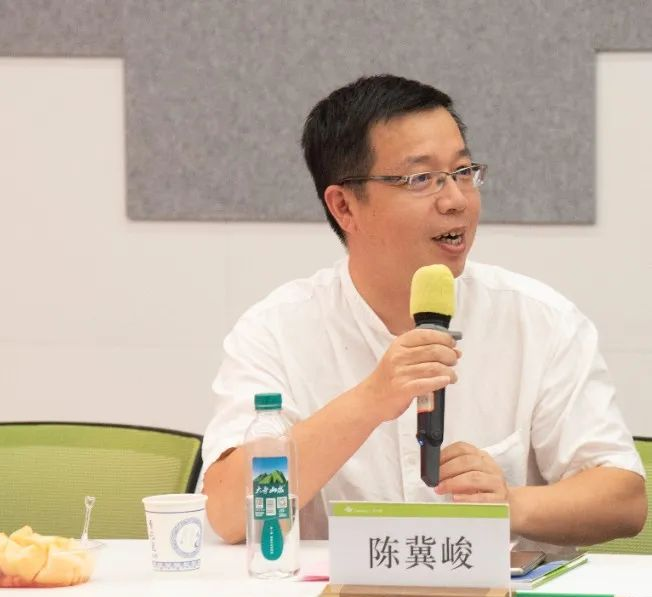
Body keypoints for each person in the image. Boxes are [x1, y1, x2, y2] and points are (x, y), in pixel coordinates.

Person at [200, 74, 646, 550]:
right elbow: (225, 514)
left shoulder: (539, 320)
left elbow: (624, 501)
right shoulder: (276, 331)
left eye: (462, 172)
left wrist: (512, 504)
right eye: (421, 179)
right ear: (344, 206)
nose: (455, 200)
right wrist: (370, 399)